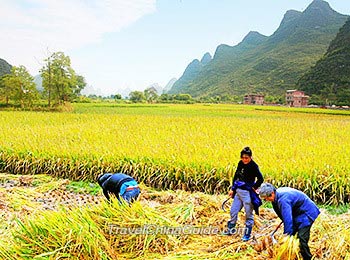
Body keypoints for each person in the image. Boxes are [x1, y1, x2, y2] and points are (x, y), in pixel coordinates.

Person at [258, 183, 320, 260]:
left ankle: (308, 258)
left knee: (301, 239)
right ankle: (293, 255)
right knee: (292, 233)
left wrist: (287, 236)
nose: (266, 200)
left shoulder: (283, 200)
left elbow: (288, 219)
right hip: (297, 212)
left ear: (272, 193)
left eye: (266, 198)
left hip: (307, 212)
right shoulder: (276, 198)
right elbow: (283, 216)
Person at [224, 147, 264, 241]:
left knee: (248, 214)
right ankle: (231, 229)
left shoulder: (254, 166)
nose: (244, 160)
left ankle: (247, 234)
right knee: (233, 211)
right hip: (238, 192)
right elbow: (236, 176)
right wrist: (232, 189)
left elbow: (260, 179)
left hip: (247, 194)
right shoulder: (240, 163)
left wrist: (254, 187)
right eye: (243, 158)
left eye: (247, 158)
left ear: (250, 157)